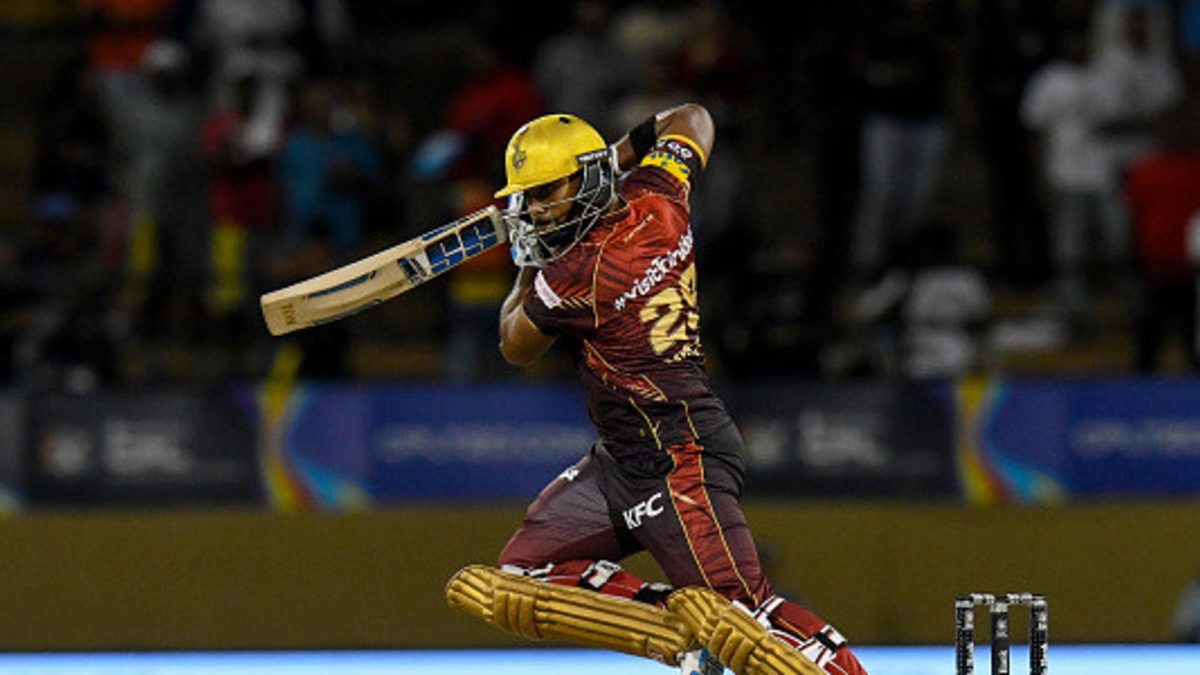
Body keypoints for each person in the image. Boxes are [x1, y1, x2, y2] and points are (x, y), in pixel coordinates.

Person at [445, 105, 867, 675]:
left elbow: (513, 344)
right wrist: (619, 156)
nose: (537, 211)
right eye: (528, 198)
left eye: (546, 192)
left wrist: (527, 263)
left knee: (747, 615)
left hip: (679, 456)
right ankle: (688, 637)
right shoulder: (660, 194)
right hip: (623, 461)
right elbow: (692, 118)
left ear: (587, 180)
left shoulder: (577, 274)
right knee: (522, 578)